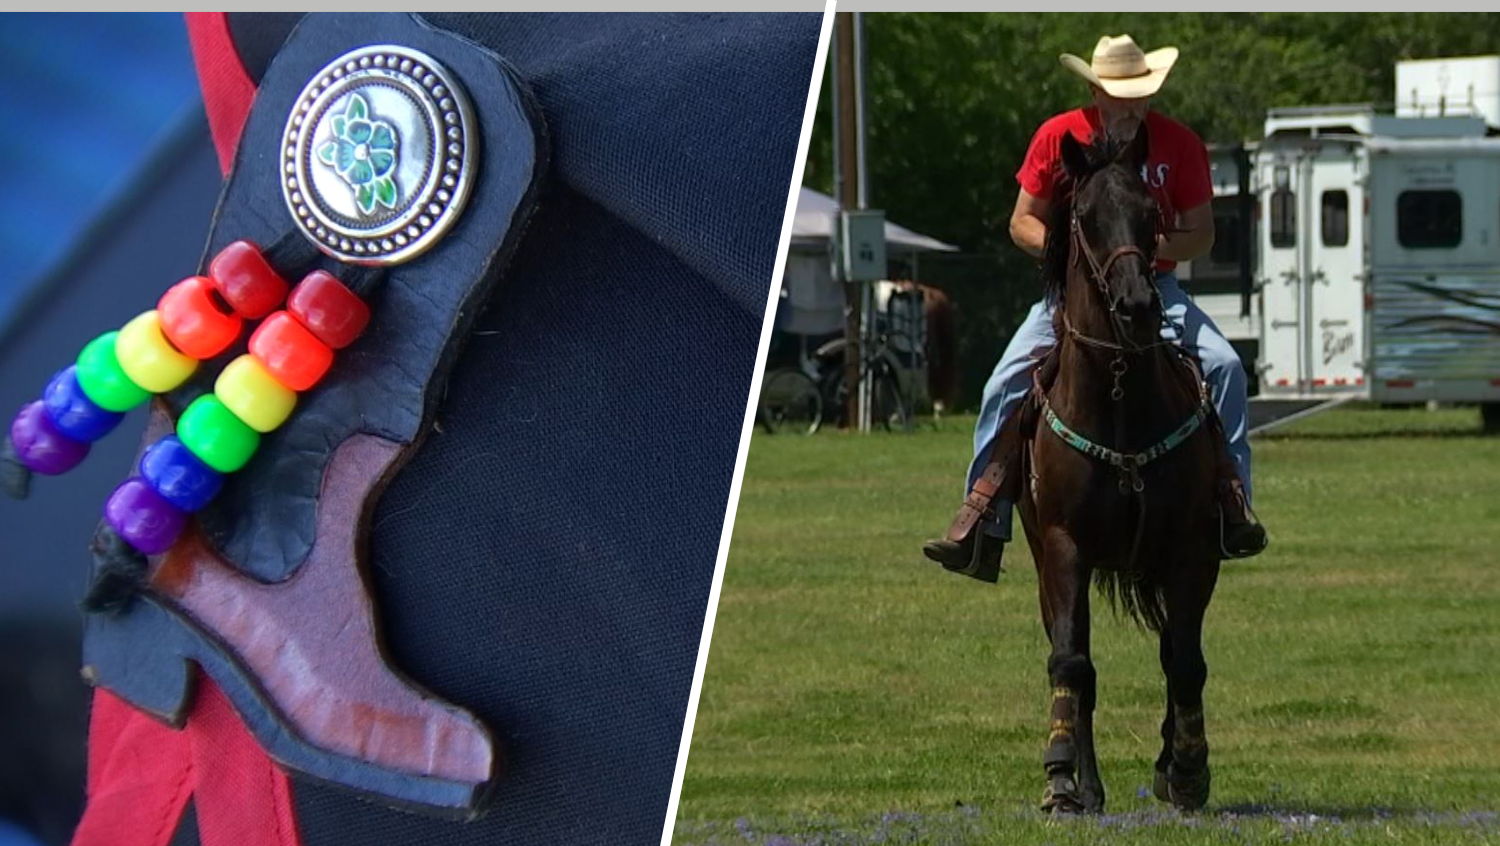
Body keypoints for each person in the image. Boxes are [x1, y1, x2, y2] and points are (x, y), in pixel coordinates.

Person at [923, 34, 1266, 576]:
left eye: (1141, 94)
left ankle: (1231, 503)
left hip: (1155, 291)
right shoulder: (1058, 137)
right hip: (1071, 296)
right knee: (1001, 386)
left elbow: (1201, 235)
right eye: (1120, 95)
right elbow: (1021, 222)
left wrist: (1141, 251)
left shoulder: (1179, 144)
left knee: (1225, 367)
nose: (1132, 105)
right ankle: (982, 518)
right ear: (1094, 91)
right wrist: (1075, 258)